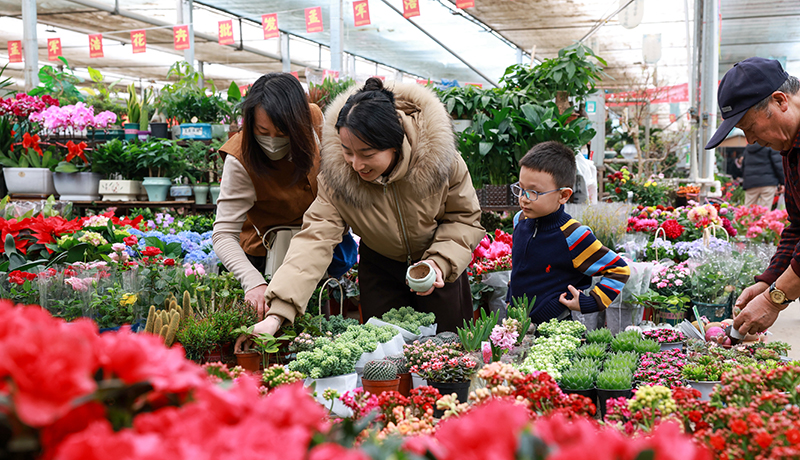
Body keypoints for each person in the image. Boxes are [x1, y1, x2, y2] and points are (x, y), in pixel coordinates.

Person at [236, 77, 484, 345]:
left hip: (438, 270)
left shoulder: (442, 161)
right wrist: (277, 314)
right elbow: (314, 239)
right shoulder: (338, 177)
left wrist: (439, 262)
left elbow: (464, 218)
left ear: (394, 143)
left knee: (447, 352)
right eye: (347, 151)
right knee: (383, 356)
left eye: (367, 153)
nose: (356, 165)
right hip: (380, 269)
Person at [212, 73, 324, 317]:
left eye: (283, 133)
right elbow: (223, 234)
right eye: (262, 131)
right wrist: (253, 282)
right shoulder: (240, 158)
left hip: (316, 249)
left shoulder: (314, 121)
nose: (272, 141)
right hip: (266, 258)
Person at [703, 57, 800, 336]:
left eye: (749, 127)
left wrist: (774, 299)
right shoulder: (789, 146)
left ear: (780, 100)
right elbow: (798, 226)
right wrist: (768, 281)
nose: (749, 141)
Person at [506, 141, 630, 324]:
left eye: (534, 192)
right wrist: (510, 296)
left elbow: (619, 269)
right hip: (516, 322)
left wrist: (590, 302)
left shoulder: (573, 235)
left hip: (553, 327)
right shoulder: (520, 220)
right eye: (521, 189)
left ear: (563, 195)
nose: (524, 198)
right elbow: (519, 268)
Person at [741, 142, 784, 208]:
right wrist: (783, 182)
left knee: (748, 209)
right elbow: (778, 165)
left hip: (751, 183)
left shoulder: (748, 148)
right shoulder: (771, 145)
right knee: (765, 209)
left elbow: (743, 166)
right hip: (768, 182)